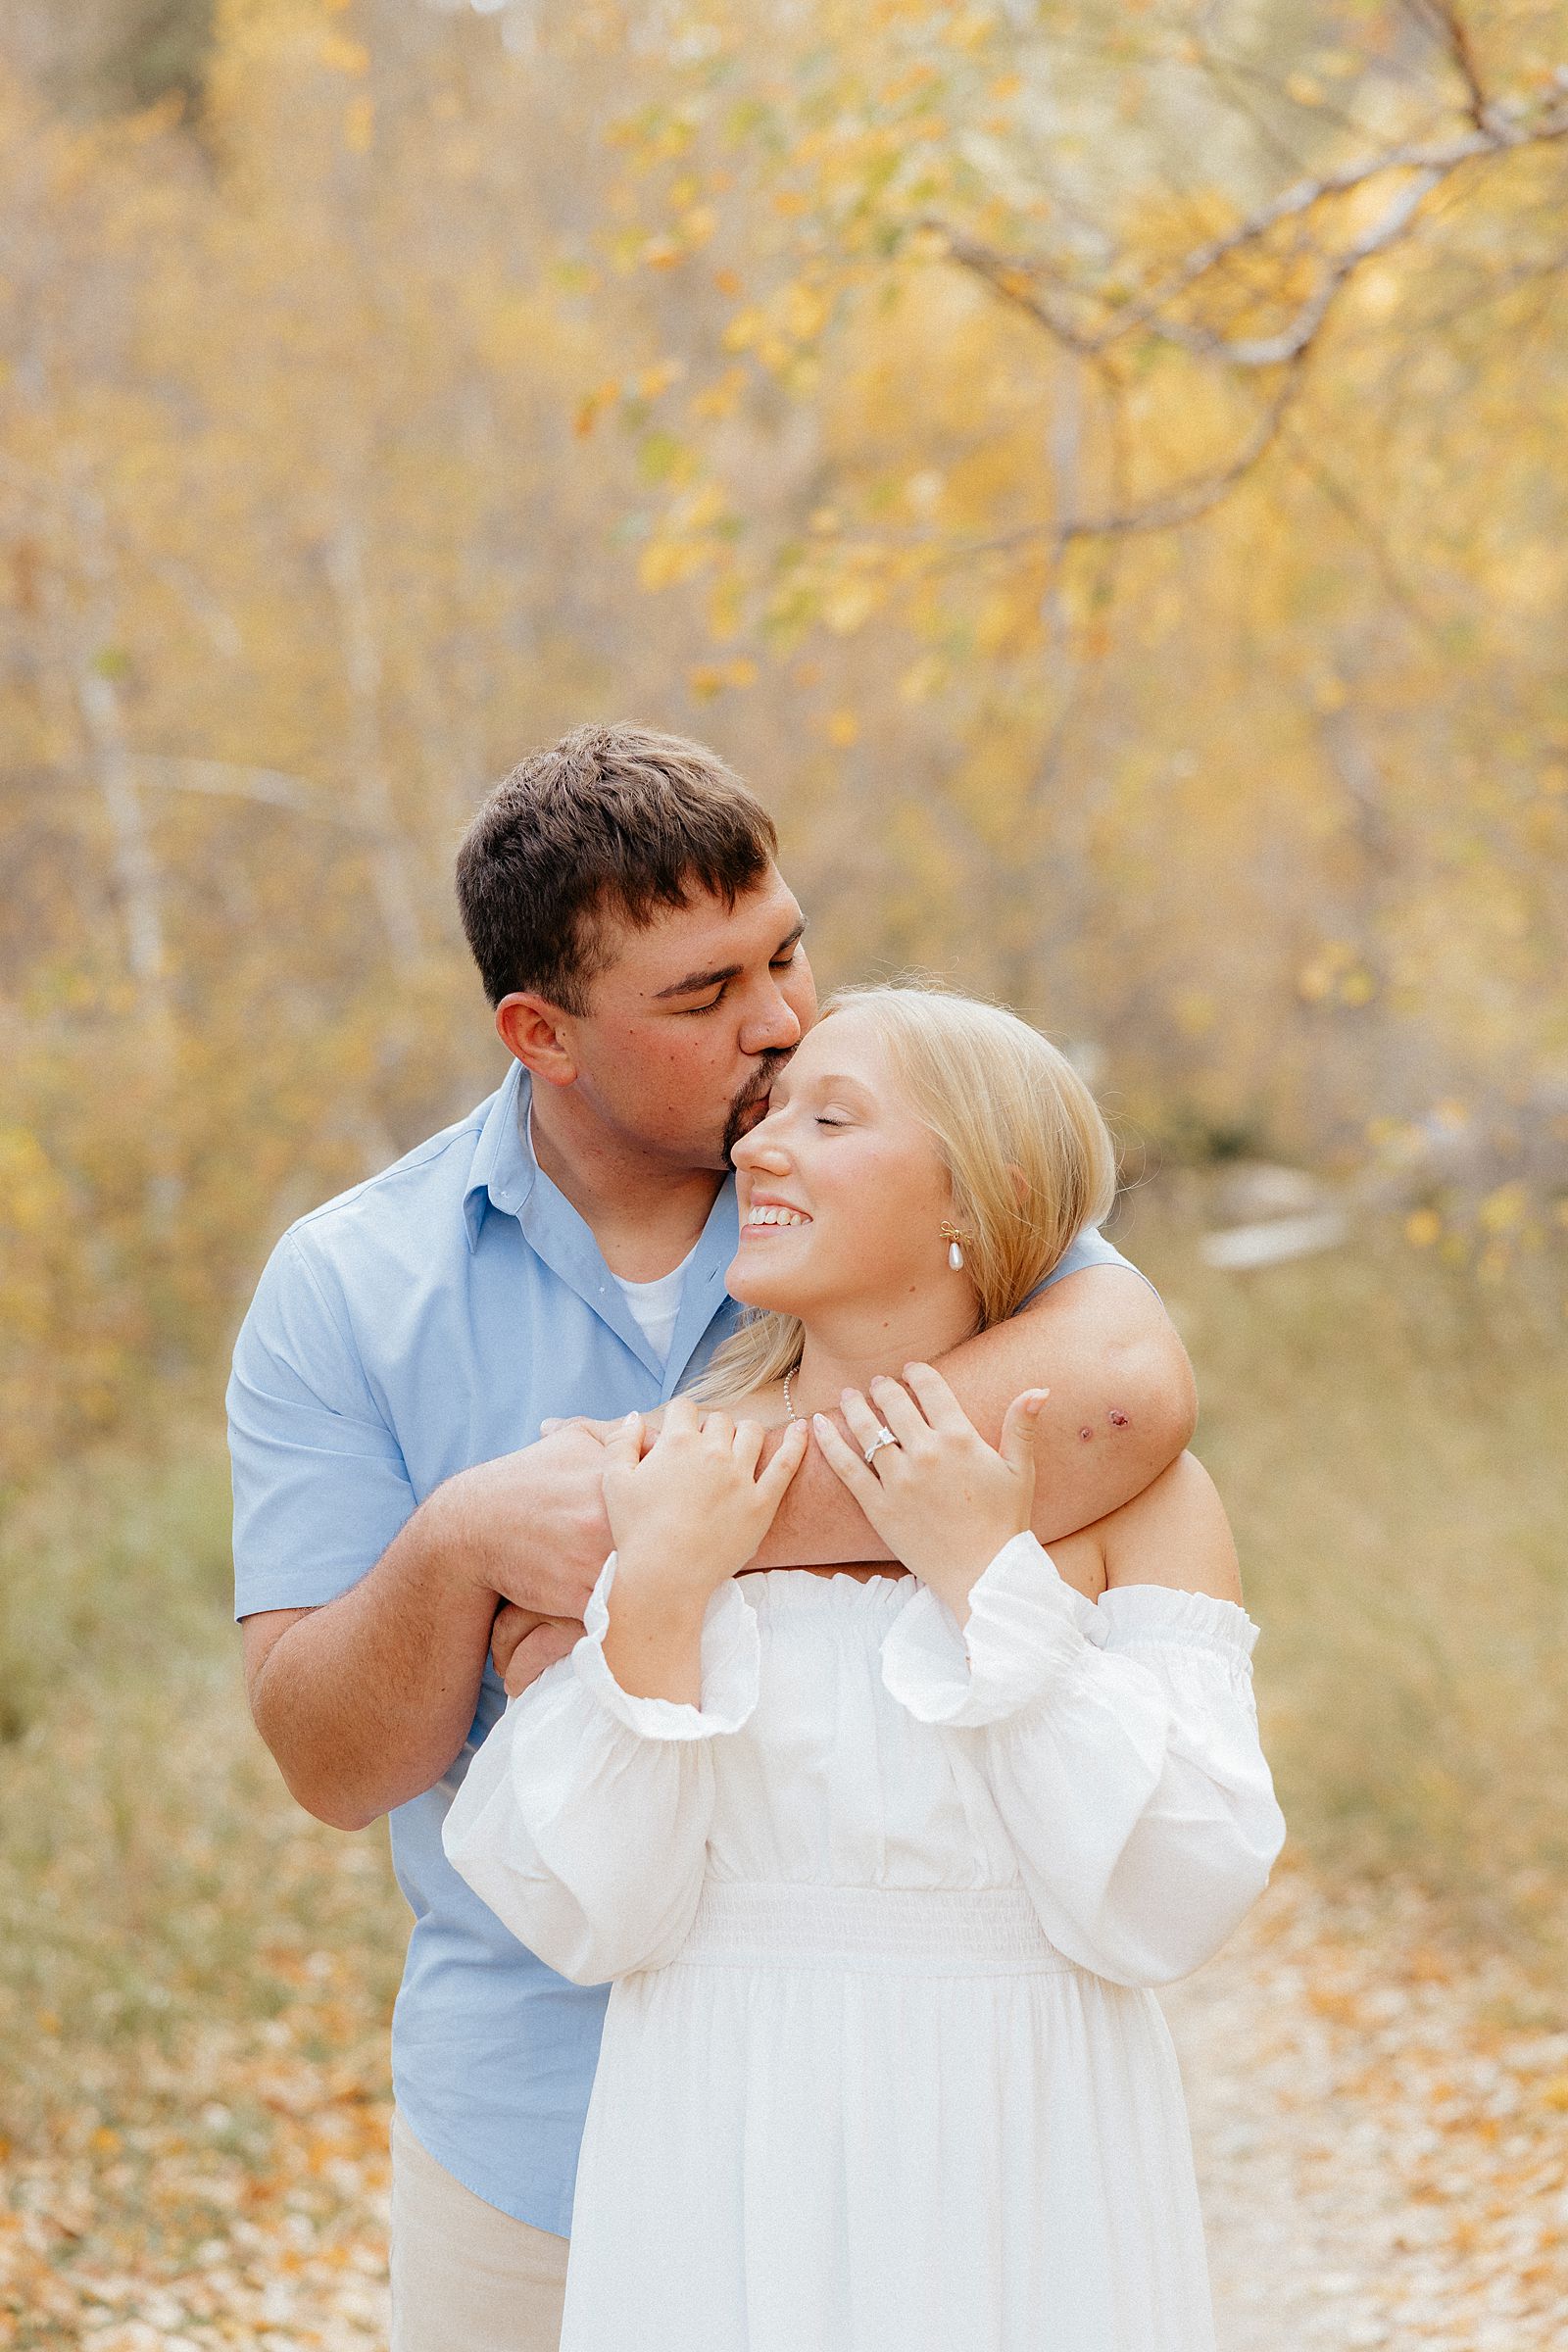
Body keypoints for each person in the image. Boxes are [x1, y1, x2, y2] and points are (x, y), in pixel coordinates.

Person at [227, 724, 1199, 2352]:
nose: (780, 1021)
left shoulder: (902, 1177)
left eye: (786, 950)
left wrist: (652, 1529)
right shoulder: (345, 1289)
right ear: (540, 1031)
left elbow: (1126, 1387)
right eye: (702, 996)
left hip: (897, 2132)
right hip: (531, 2119)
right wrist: (463, 1544)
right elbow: (327, 1757)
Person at [444, 984, 1286, 2352]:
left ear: (982, 1194)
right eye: (770, 1114)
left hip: (1029, 2167)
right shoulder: (654, 1486)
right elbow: (586, 1916)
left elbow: (1175, 1894)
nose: (758, 1149)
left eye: (829, 1118)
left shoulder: (1139, 1494)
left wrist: (985, 1581)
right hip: (719, 2162)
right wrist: (655, 1603)